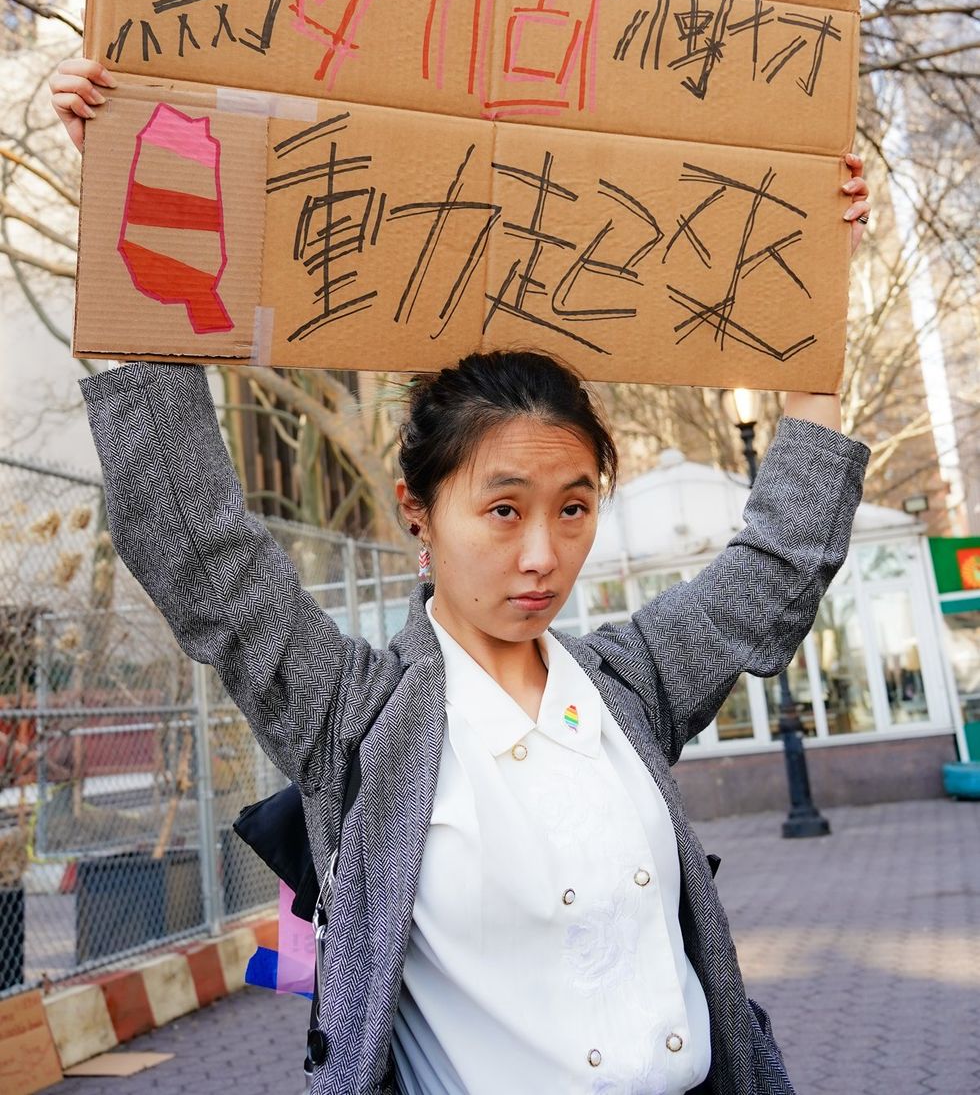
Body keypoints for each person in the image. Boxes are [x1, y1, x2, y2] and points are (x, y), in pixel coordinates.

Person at [51, 59, 872, 1095]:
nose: (541, 554)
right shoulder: (354, 714)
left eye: (572, 508)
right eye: (501, 508)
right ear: (415, 513)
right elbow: (196, 548)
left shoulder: (628, 685)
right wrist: (128, 200)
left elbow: (773, 569)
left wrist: (816, 299)